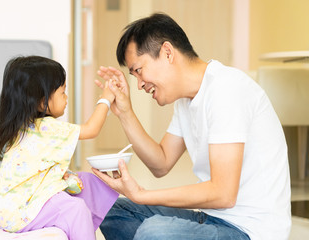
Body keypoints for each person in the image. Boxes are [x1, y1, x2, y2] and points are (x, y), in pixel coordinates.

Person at [93, 13, 291, 240]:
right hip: (211, 219)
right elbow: (161, 163)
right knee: (110, 210)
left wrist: (142, 195)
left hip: (250, 231)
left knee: (154, 232)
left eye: (139, 71)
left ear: (167, 53)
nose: (139, 85)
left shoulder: (226, 89)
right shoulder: (186, 101)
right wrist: (125, 112)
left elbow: (223, 194)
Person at [0, 55, 118, 240]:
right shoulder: (47, 127)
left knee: (86, 181)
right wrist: (106, 99)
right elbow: (91, 130)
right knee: (77, 209)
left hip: (9, 211)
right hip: (21, 214)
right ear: (43, 102)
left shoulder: (20, 126)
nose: (66, 98)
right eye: (63, 92)